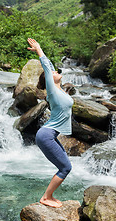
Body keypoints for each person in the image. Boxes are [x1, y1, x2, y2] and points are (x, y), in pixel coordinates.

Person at [27, 38, 74, 208]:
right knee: (65, 168)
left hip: (50, 135)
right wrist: (39, 49)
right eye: (52, 72)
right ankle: (46, 197)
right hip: (46, 135)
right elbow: (47, 66)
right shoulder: (53, 91)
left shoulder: (61, 91)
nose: (55, 71)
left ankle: (49, 196)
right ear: (48, 79)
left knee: (66, 166)